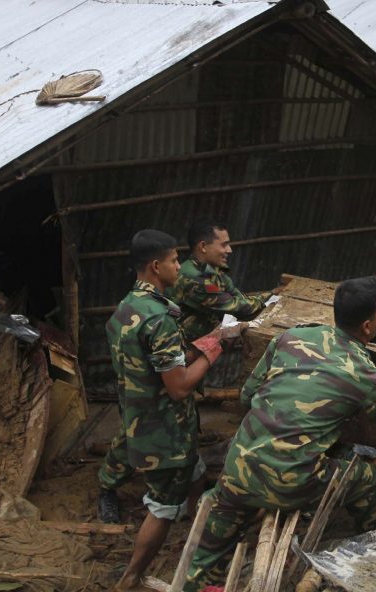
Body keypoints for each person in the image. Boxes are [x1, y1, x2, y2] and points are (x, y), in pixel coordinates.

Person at [182, 277, 376, 590]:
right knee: (365, 478)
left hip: (238, 468)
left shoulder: (290, 337)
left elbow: (248, 397)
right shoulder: (365, 372)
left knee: (207, 555)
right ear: (370, 326)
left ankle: (195, 581)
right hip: (292, 481)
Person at [100, 230, 220, 591]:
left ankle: (196, 526)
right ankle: (133, 575)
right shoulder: (160, 320)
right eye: (172, 261)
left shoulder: (126, 309)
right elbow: (180, 387)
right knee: (161, 507)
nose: (178, 268)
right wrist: (212, 353)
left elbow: (147, 367)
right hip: (166, 434)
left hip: (140, 420)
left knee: (194, 471)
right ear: (156, 266)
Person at [169, 219, 274, 342]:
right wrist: (271, 297)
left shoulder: (213, 271)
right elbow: (237, 306)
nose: (229, 250)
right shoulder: (193, 278)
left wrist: (269, 297)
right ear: (203, 246)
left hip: (203, 340)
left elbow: (238, 296)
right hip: (182, 348)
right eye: (224, 245)